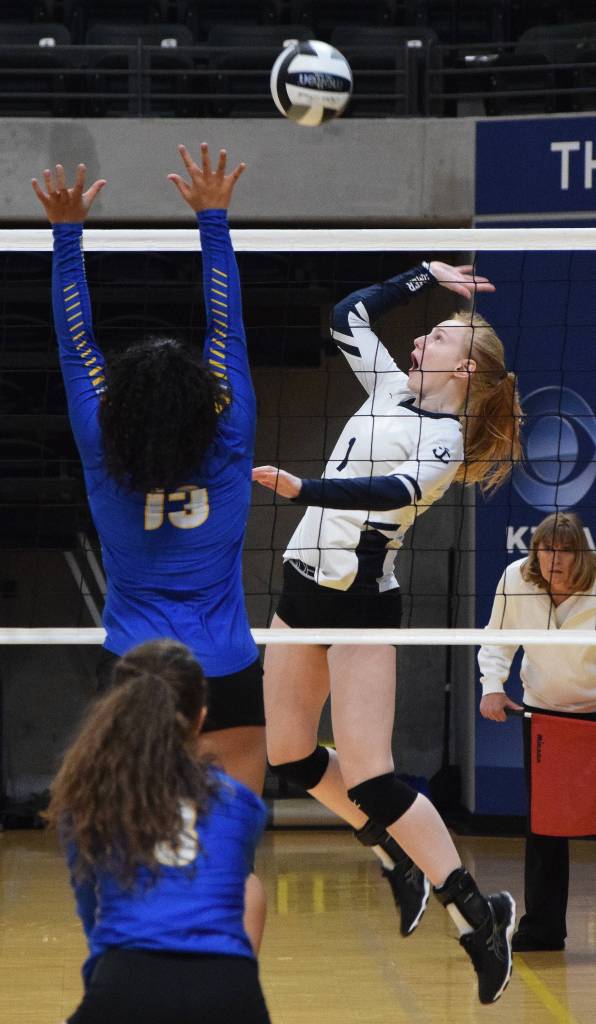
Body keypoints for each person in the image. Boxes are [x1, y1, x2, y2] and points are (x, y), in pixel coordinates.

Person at [252, 261, 523, 1004]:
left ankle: (475, 914)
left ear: (464, 366)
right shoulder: (389, 388)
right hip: (299, 592)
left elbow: (389, 490)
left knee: (373, 774)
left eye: (436, 335)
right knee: (290, 754)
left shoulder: (445, 441)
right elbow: (347, 314)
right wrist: (422, 277)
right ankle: (391, 852)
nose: (419, 341)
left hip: (361, 606)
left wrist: (303, 488)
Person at [32, 143, 267, 947]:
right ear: (205, 403)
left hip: (136, 672)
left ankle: (132, 978)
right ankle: (227, 983)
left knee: (126, 848)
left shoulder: (103, 441)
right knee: (234, 865)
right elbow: (226, 326)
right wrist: (212, 218)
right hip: (228, 671)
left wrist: (68, 234)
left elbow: (77, 347)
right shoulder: (231, 433)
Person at [46, 639, 271, 1024]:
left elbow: (91, 911)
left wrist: (107, 982)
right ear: (201, 718)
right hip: (229, 985)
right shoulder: (242, 805)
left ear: (115, 712)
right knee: (253, 888)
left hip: (127, 977)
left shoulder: (84, 800)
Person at [479, 510, 596, 952]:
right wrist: (492, 687)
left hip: (595, 713)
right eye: (547, 550)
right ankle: (543, 929)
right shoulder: (517, 579)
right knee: (545, 825)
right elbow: (496, 637)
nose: (555, 560)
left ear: (579, 554)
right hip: (546, 716)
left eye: (565, 551)